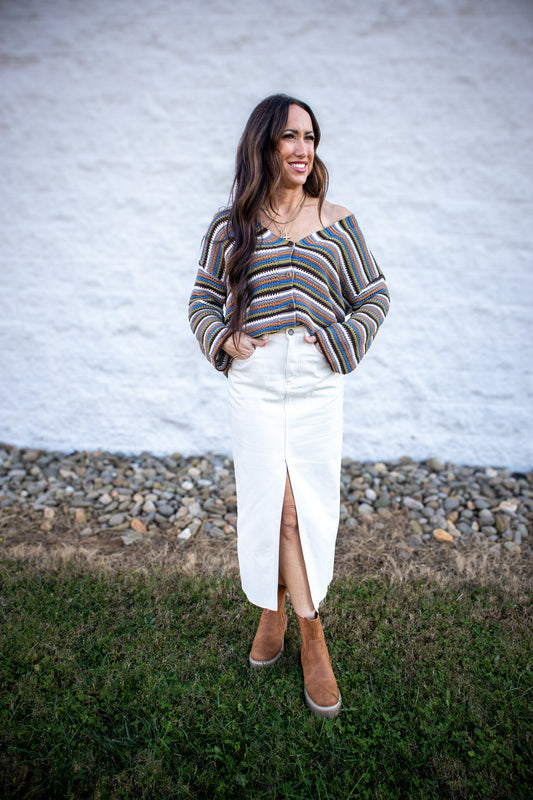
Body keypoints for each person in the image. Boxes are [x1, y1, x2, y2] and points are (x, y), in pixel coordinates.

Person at [189, 94, 389, 718]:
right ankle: (279, 614)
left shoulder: (337, 219)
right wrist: (224, 337)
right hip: (253, 383)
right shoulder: (232, 226)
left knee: (303, 511)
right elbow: (200, 299)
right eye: (289, 137)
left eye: (310, 136)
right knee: (269, 507)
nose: (303, 149)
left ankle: (307, 628)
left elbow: (375, 296)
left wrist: (336, 341)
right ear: (263, 146)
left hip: (315, 381)